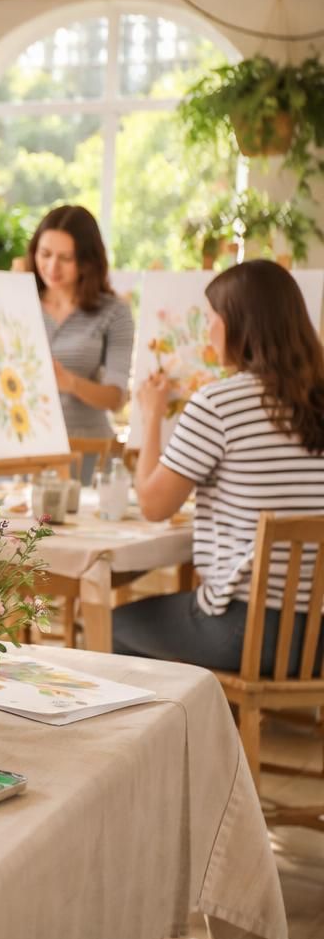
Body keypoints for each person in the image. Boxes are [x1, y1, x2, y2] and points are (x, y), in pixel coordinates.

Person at [113, 260, 324, 674]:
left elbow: (154, 506)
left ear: (238, 325)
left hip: (243, 631)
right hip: (317, 640)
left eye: (211, 320)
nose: (207, 333)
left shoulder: (220, 404)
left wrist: (152, 416)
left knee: (113, 626)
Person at [28, 205, 134, 482]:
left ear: (87, 261)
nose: (52, 267)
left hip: (88, 452)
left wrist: (71, 383)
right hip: (23, 449)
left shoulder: (114, 312)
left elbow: (116, 398)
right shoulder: (18, 302)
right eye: (45, 254)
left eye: (65, 258)